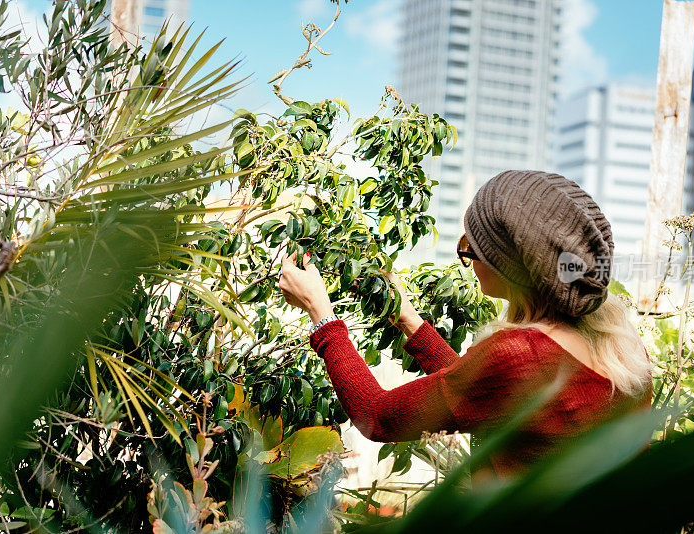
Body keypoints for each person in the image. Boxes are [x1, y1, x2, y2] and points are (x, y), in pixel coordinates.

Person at [278, 170, 653, 478]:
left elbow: (378, 416)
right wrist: (408, 318)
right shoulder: (623, 349)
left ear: (509, 265)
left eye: (471, 247)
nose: (467, 257)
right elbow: (482, 389)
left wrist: (320, 313)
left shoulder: (520, 356)